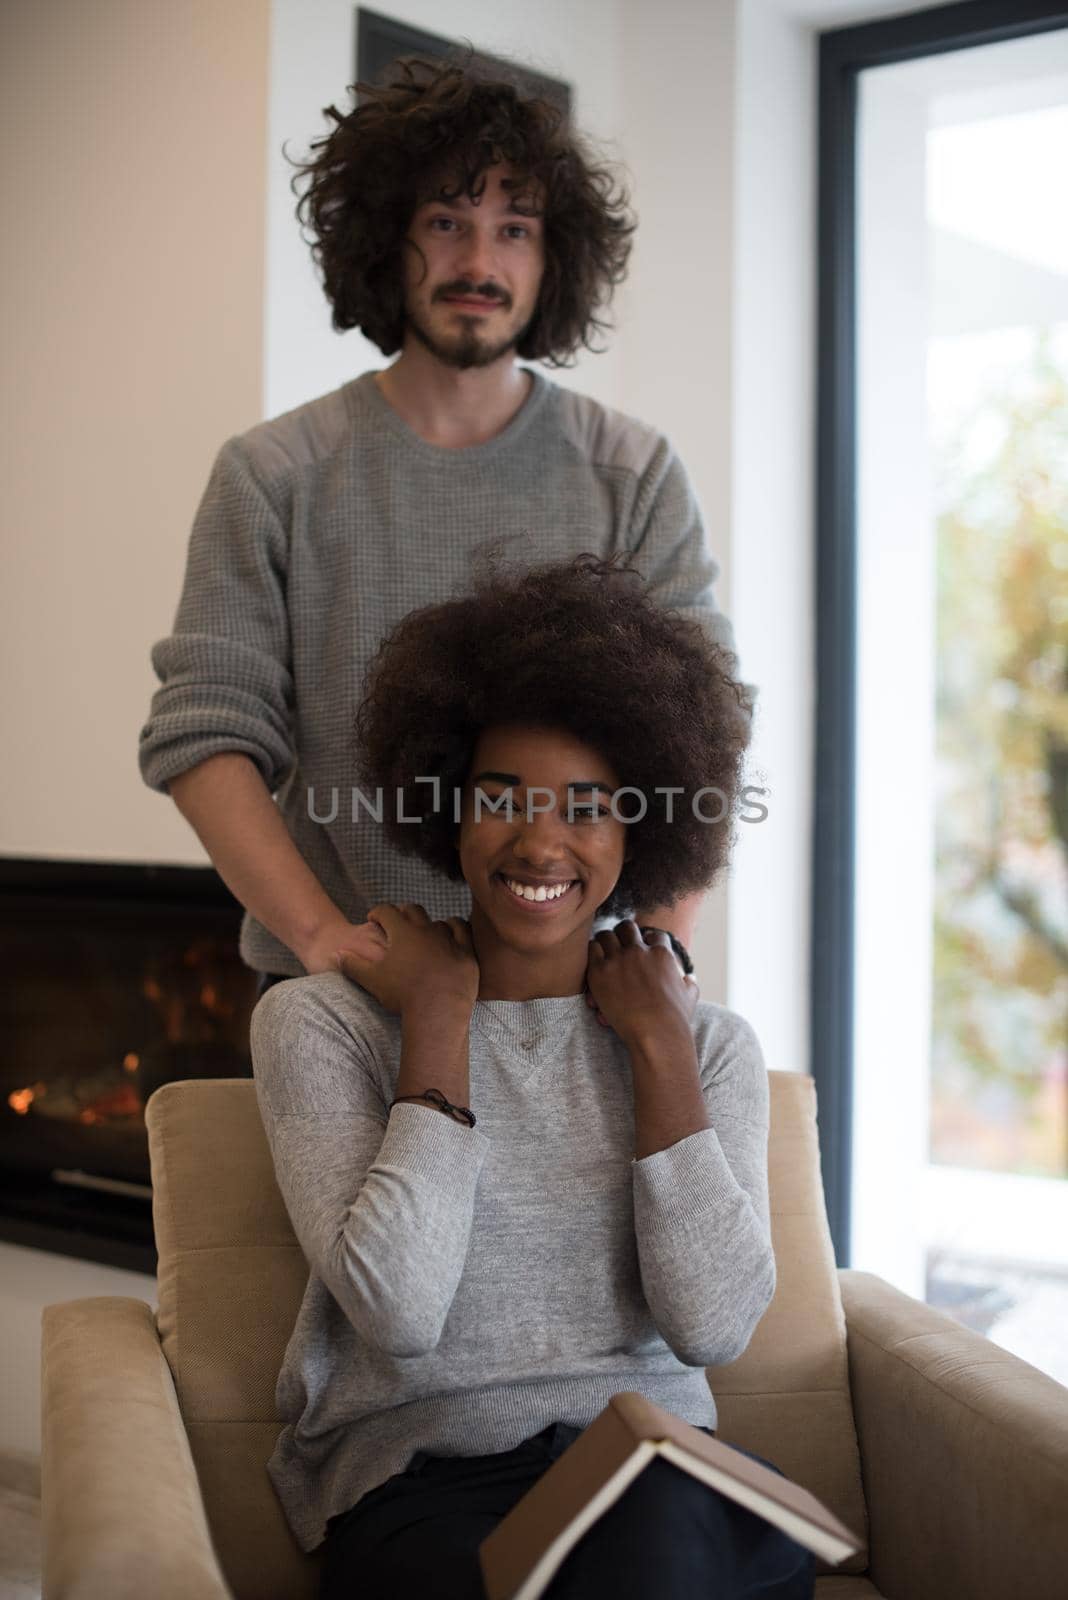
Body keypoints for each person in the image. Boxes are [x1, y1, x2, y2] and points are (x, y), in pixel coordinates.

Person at [248, 556, 810, 1600]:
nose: (540, 841)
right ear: (450, 810)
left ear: (638, 828)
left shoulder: (708, 1047)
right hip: (421, 1484)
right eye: (502, 798)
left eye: (587, 807)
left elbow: (712, 1325)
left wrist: (659, 1048)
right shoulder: (322, 1023)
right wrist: (439, 1014)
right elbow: (400, 1311)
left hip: (651, 1471)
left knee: (667, 1555)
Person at [137, 55, 754, 996]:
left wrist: (658, 952)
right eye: (445, 224)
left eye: (514, 229)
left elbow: (705, 736)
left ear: (555, 259)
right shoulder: (273, 476)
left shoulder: (632, 473)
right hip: (341, 998)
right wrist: (320, 940)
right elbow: (204, 733)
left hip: (576, 1008)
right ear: (387, 241)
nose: (478, 263)